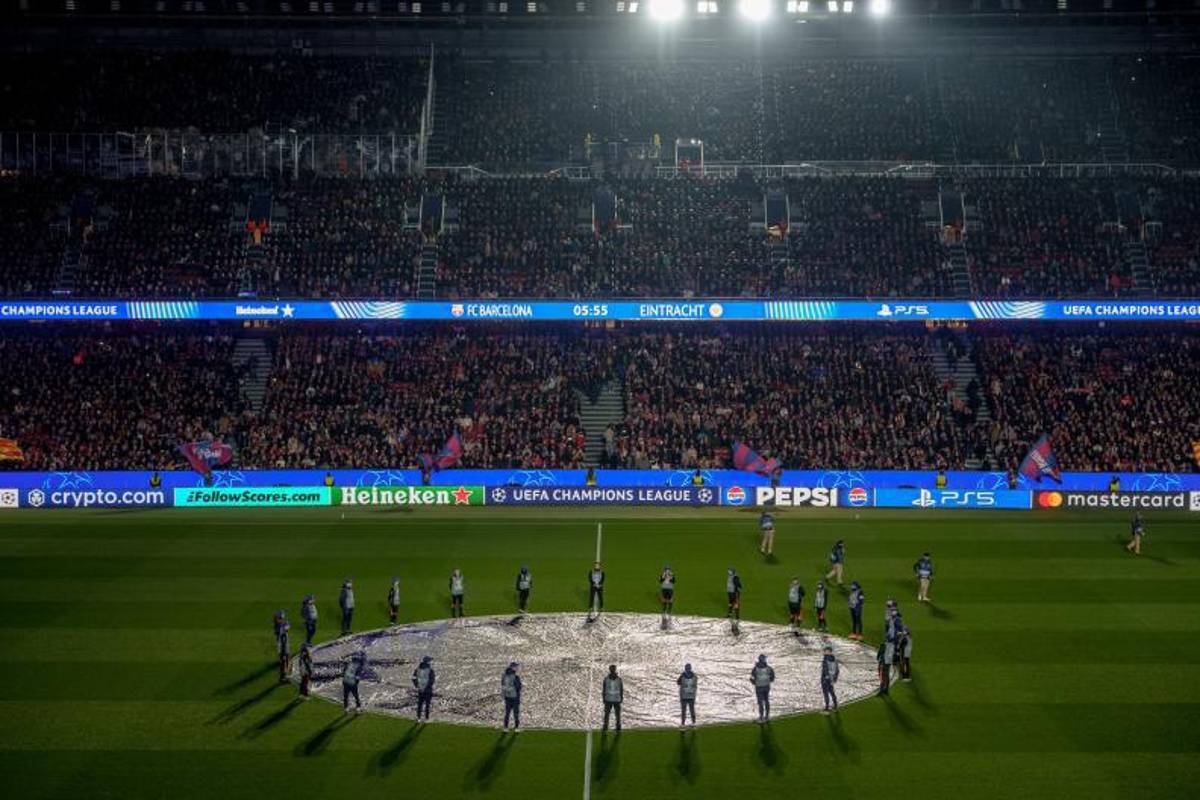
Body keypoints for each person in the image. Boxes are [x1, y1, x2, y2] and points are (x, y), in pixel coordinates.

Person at [750, 654, 775, 723]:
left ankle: (761, 717)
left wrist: (755, 683)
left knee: (760, 702)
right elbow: (772, 678)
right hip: (766, 687)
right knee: (766, 700)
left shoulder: (755, 668)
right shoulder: (769, 668)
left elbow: (751, 678)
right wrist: (768, 681)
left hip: (759, 687)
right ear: (764, 660)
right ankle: (767, 716)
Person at [413, 656, 435, 723]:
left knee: (420, 704)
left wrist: (417, 686)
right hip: (428, 690)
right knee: (427, 705)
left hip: (420, 689)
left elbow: (414, 678)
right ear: (428, 662)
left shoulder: (417, 669)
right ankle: (426, 718)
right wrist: (427, 686)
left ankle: (418, 717)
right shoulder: (430, 670)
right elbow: (432, 680)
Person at [501, 662, 522, 732]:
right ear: (512, 667)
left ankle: (506, 727)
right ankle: (516, 727)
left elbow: (503, 686)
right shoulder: (515, 677)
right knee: (515, 713)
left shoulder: (504, 676)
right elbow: (518, 687)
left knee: (507, 713)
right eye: (515, 667)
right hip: (514, 698)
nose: (517, 668)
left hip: (508, 697)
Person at [602, 664, 623, 732]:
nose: (612, 670)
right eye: (612, 669)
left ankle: (616, 726)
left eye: (613, 669)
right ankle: (607, 726)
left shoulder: (618, 679)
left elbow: (621, 689)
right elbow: (604, 689)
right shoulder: (607, 679)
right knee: (608, 714)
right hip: (610, 699)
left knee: (615, 714)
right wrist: (604, 698)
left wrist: (621, 697)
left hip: (614, 699)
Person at [820, 645, 839, 714]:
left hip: (826, 679)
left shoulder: (826, 659)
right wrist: (834, 679)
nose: (824, 652)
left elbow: (826, 670)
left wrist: (826, 678)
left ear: (829, 652)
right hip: (830, 679)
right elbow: (837, 670)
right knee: (831, 692)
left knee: (826, 693)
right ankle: (835, 706)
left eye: (826, 651)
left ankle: (827, 707)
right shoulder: (833, 659)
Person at [677, 663, 698, 728]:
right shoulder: (695, 676)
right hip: (691, 695)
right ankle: (693, 723)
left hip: (684, 695)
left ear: (685, 668)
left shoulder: (682, 675)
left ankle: (683, 724)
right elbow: (695, 685)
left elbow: (678, 682)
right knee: (692, 709)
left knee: (683, 710)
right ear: (690, 668)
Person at [726, 567, 743, 634]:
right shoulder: (731, 576)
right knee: (730, 603)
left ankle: (737, 616)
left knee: (735, 604)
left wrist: (737, 591)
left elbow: (739, 585)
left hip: (734, 592)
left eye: (729, 571)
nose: (728, 572)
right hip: (730, 592)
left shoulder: (735, 577)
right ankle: (730, 613)